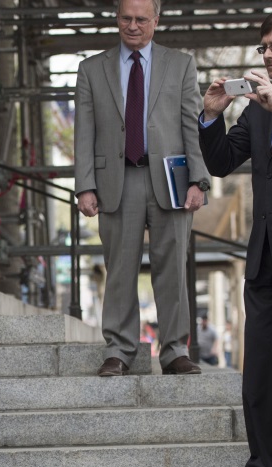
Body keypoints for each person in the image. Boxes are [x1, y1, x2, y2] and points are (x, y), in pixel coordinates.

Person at [199, 8, 272, 467]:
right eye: (263, 47)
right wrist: (212, 116)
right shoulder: (257, 110)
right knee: (259, 378)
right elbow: (221, 163)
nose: (266, 55)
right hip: (264, 259)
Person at [74, 0, 209, 378]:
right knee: (119, 269)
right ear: (117, 19)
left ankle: (175, 351)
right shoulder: (90, 69)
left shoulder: (180, 64)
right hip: (116, 180)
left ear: (156, 20)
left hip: (171, 179)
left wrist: (198, 180)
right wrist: (85, 185)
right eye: (125, 18)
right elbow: (84, 133)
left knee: (173, 269)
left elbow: (190, 126)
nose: (132, 26)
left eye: (141, 19)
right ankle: (119, 350)